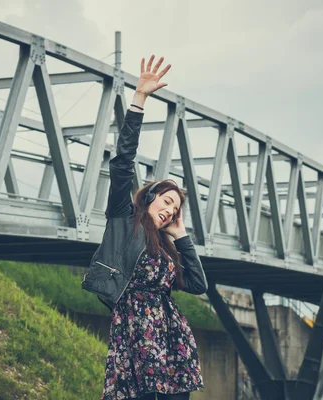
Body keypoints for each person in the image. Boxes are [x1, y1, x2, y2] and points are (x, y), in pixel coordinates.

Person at [82, 55, 209, 400]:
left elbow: (198, 284)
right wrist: (139, 100)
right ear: (150, 197)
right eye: (167, 202)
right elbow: (122, 163)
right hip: (134, 334)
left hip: (170, 337)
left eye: (176, 209)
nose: (170, 211)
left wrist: (181, 237)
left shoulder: (168, 245)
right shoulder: (124, 219)